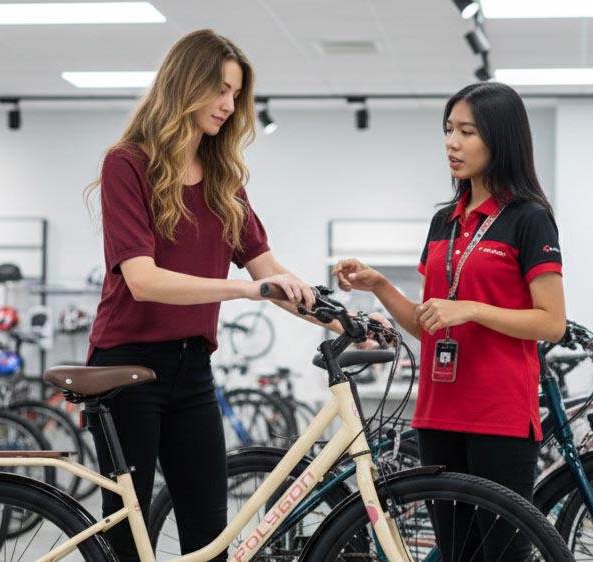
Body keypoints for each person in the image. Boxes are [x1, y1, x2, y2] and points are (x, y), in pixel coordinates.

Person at [83, 29, 315, 562]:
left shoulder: (223, 180)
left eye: (236, 95)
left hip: (192, 369)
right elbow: (143, 279)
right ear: (187, 85)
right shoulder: (128, 163)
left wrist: (343, 320)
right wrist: (248, 290)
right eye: (221, 91)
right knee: (127, 536)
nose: (230, 106)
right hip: (126, 368)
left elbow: (270, 271)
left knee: (210, 535)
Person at [332, 81, 566, 561]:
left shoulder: (530, 218)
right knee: (455, 554)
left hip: (499, 417)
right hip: (438, 413)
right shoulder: (444, 221)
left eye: (467, 132)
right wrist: (380, 285)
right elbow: (427, 325)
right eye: (448, 130)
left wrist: (473, 310)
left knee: (500, 555)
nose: (451, 143)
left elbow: (551, 323)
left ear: (501, 139)